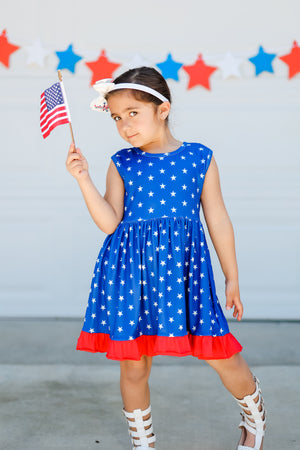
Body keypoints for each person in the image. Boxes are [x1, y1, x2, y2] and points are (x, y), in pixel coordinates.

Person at [66, 66, 266, 450]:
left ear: (162, 109)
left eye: (133, 114)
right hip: (129, 275)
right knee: (134, 363)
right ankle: (144, 444)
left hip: (184, 274)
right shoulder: (121, 162)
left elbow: (218, 220)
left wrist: (232, 277)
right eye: (116, 118)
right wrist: (83, 179)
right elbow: (109, 222)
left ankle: (255, 418)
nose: (125, 126)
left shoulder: (198, 157)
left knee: (220, 352)